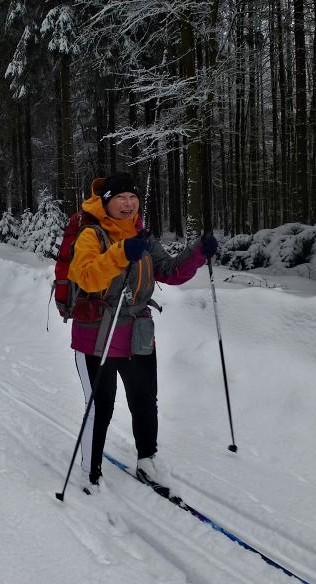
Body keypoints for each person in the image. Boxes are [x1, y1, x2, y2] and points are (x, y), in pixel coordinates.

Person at [68, 172, 218, 494]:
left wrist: (198, 253)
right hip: (97, 335)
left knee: (145, 402)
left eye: (132, 197)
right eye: (120, 197)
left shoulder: (143, 237)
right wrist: (121, 254)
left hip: (137, 334)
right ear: (105, 201)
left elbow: (170, 271)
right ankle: (89, 472)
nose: (128, 203)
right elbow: (87, 277)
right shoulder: (91, 235)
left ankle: (147, 460)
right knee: (101, 405)